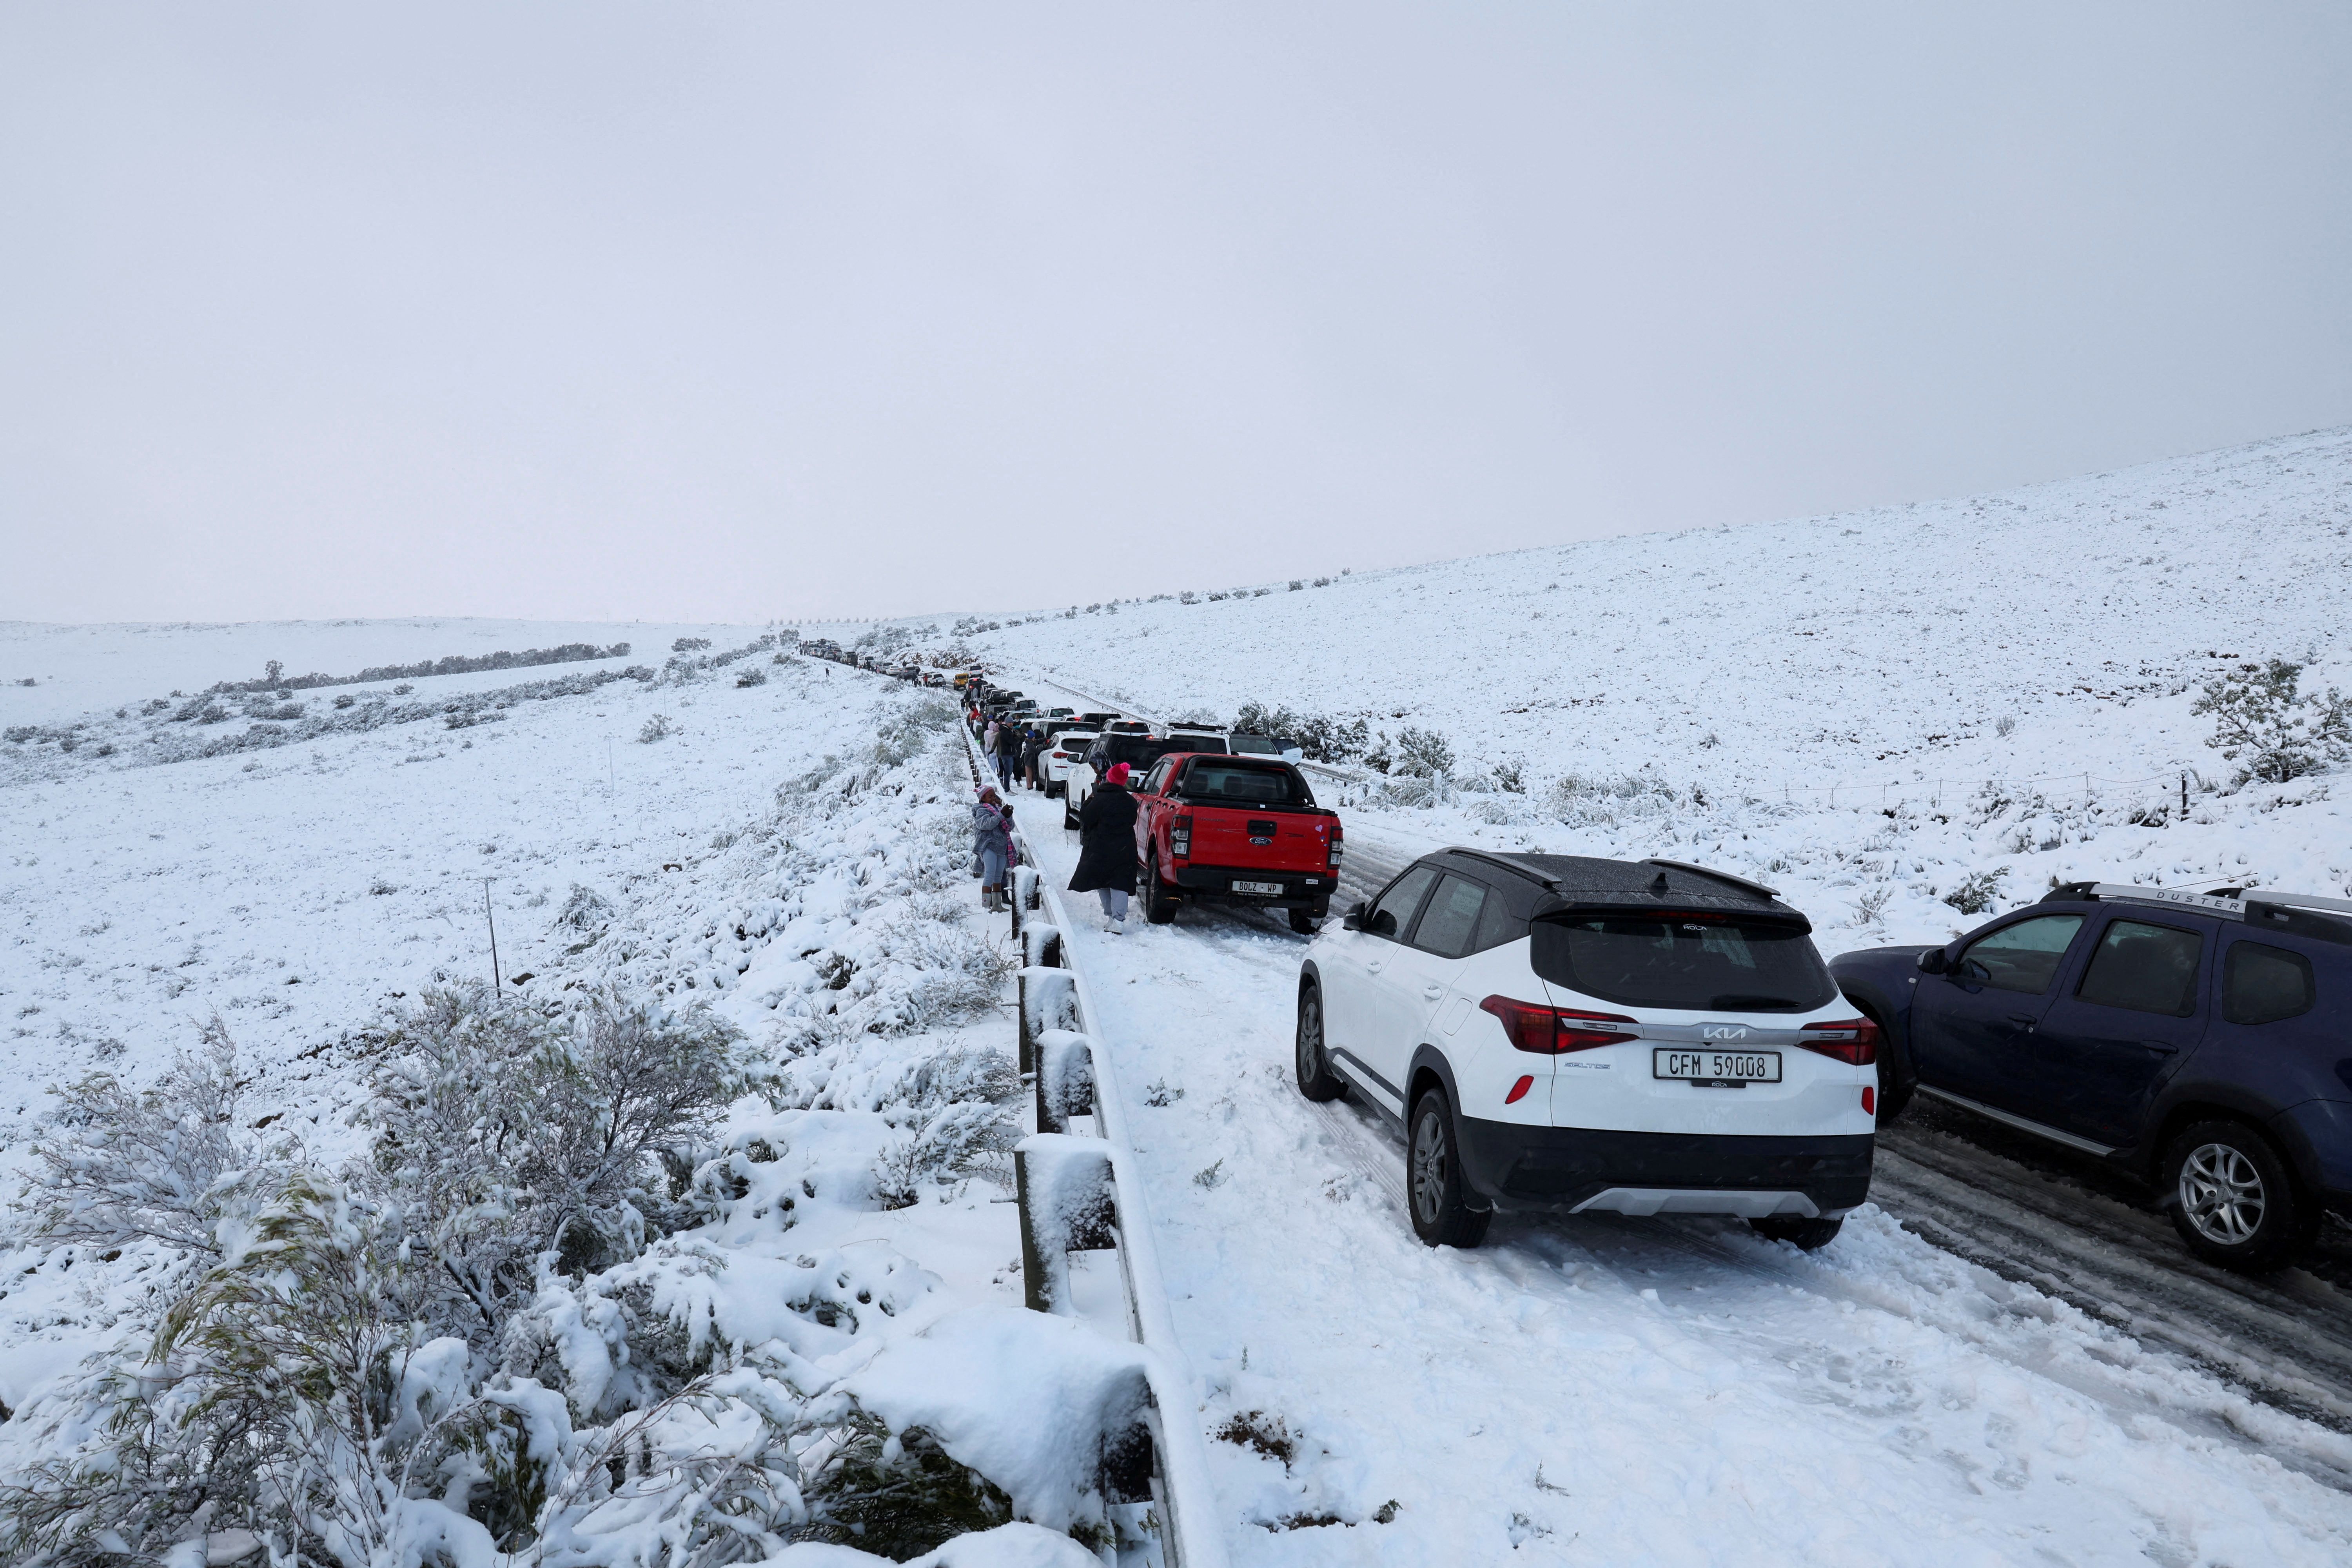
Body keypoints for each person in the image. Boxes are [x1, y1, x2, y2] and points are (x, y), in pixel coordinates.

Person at [1069, 760, 1138, 931]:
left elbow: (1086, 818)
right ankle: (1118, 920)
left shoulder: (1099, 798)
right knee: (1120, 883)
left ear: (1108, 779)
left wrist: (1088, 802)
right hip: (1125, 848)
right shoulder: (1131, 802)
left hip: (1101, 848)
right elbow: (1132, 821)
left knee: (1101, 880)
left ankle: (1110, 916)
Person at [973, 785, 1013, 912]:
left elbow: (1010, 827)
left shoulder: (998, 810)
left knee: (998, 876)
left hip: (1002, 846)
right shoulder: (981, 811)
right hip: (989, 846)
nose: (994, 799)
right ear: (983, 798)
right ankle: (986, 906)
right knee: (989, 875)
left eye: (994, 796)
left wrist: (1008, 816)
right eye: (990, 797)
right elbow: (986, 825)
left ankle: (997, 905)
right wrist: (1001, 815)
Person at [993, 720, 1019, 790]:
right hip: (1006, 754)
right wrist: (1017, 738)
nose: (1011, 724)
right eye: (1010, 723)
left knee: (1008, 771)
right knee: (1007, 772)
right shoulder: (1005, 732)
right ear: (1007, 723)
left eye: (1012, 723)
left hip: (1007, 754)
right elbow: (1011, 742)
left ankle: (1006, 787)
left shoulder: (1008, 731)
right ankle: (1007, 789)